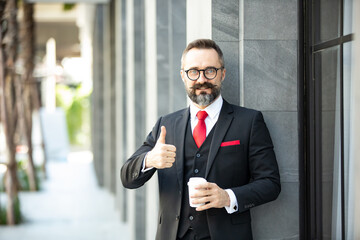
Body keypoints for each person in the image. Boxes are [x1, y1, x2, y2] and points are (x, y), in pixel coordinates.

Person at [121, 39, 281, 240]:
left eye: (210, 71)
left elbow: (270, 183)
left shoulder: (249, 122)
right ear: (183, 76)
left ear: (222, 73)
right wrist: (150, 160)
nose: (201, 79)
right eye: (193, 71)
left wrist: (227, 197)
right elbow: (127, 178)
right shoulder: (166, 125)